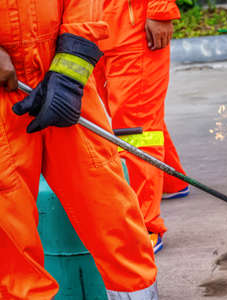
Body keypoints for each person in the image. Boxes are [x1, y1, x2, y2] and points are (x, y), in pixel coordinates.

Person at [0, 1, 159, 299]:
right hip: (3, 85)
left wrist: (70, 71)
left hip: (62, 72)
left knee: (106, 200)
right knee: (8, 222)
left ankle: (137, 293)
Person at [96, 0, 190, 254]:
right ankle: (171, 180)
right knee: (135, 117)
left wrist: (160, 11)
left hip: (131, 28)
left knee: (136, 130)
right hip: (91, 27)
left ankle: (144, 225)